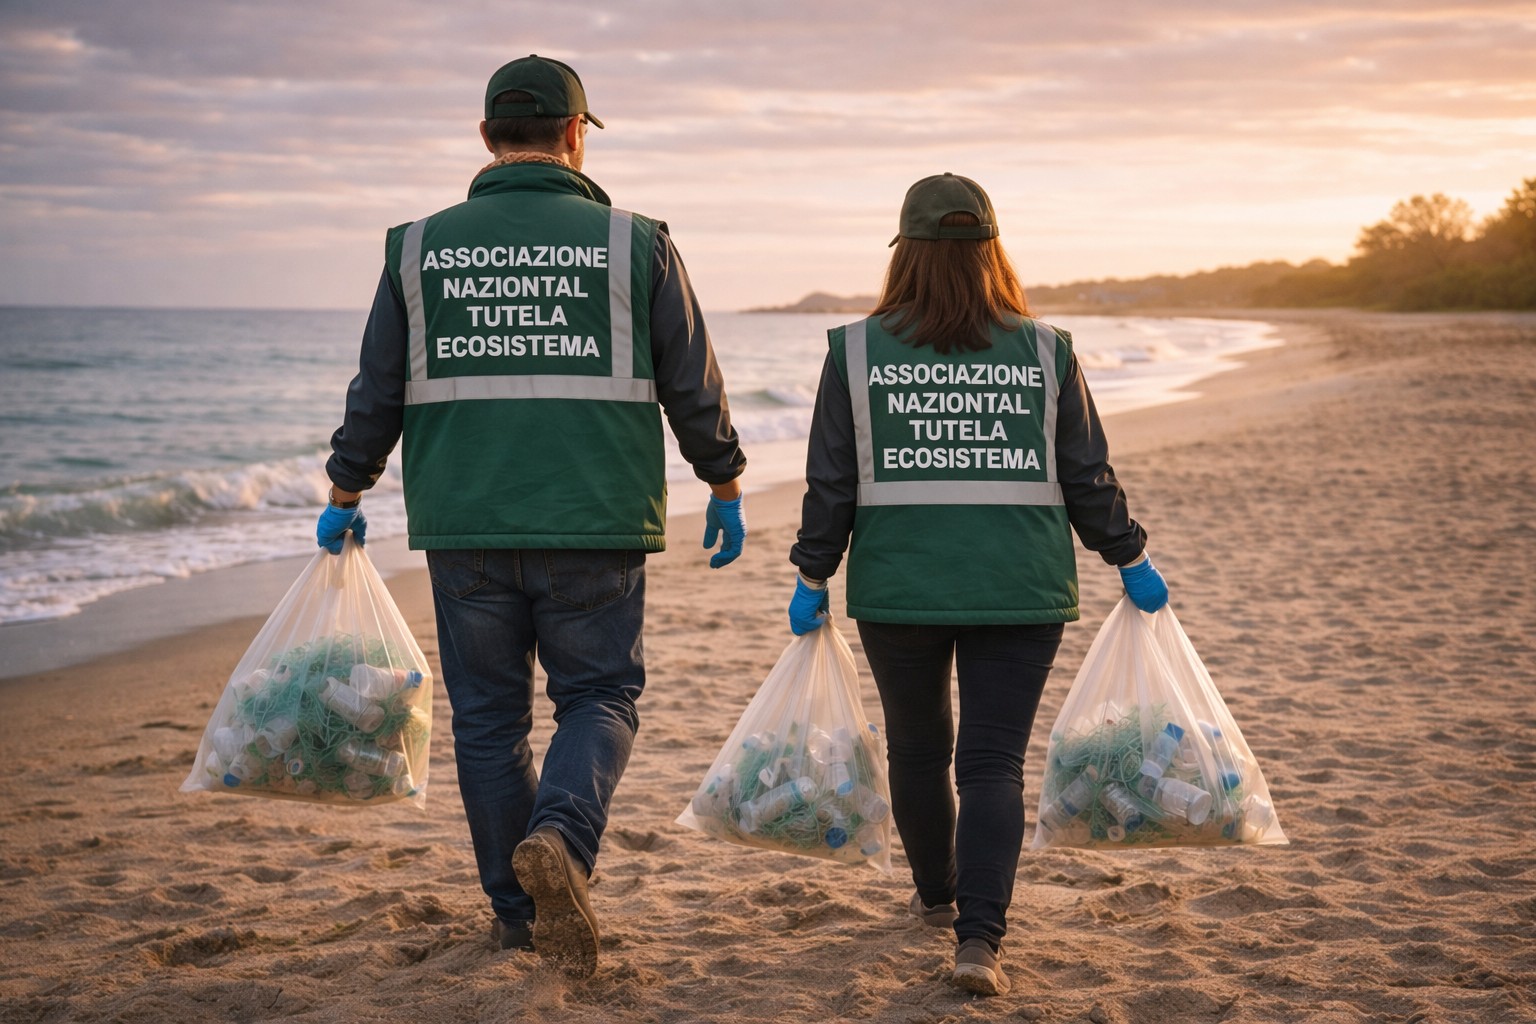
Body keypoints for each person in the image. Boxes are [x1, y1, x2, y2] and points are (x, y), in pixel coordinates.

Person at [317, 54, 747, 978]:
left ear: (485, 138)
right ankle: (560, 839)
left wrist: (346, 489)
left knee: (486, 721)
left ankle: (518, 917)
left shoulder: (418, 245)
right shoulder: (636, 240)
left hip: (464, 523)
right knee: (599, 697)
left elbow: (376, 389)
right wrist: (724, 479)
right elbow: (690, 380)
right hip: (593, 520)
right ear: (575, 135)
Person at [787, 173, 1167, 996]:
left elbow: (831, 484)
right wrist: (1128, 557)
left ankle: (935, 897)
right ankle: (979, 942)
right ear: (992, 251)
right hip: (1020, 587)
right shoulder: (1045, 348)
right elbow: (1086, 476)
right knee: (992, 762)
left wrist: (813, 572)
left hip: (899, 589)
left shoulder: (853, 350)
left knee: (920, 750)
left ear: (906, 256)